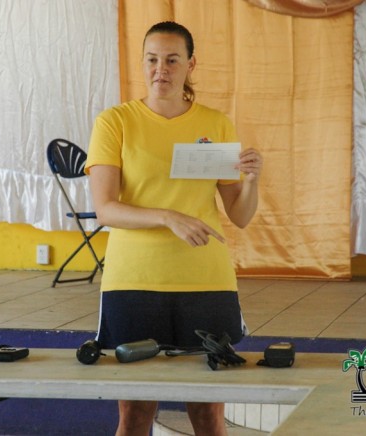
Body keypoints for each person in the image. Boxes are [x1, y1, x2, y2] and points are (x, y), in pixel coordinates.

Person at [85, 21, 263, 436]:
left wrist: (252, 180)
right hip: (134, 282)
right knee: (135, 413)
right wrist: (168, 216)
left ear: (190, 65)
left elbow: (239, 214)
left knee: (207, 414)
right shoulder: (115, 122)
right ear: (142, 64)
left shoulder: (216, 124)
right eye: (151, 59)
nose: (159, 69)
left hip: (205, 282)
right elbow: (106, 210)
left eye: (171, 60)